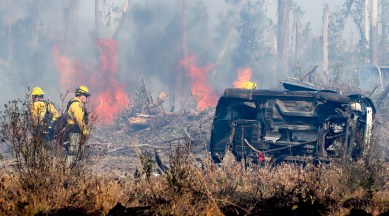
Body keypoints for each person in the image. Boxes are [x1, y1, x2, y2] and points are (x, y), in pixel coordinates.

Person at [65, 85, 91, 167]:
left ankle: (74, 171)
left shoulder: (77, 104)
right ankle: (68, 170)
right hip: (74, 132)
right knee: (73, 152)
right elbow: (79, 119)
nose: (86, 98)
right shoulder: (76, 104)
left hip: (76, 131)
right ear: (81, 95)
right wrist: (85, 131)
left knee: (78, 152)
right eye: (85, 96)